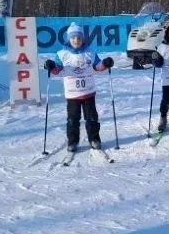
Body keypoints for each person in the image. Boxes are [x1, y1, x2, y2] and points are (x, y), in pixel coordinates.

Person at [44, 22, 115, 152]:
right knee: (73, 119)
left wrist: (105, 63)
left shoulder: (90, 52)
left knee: (92, 117)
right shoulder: (62, 54)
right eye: (73, 38)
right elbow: (58, 70)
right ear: (69, 39)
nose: (76, 40)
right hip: (72, 94)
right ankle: (73, 141)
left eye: (78, 37)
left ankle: (94, 139)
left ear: (82, 38)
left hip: (88, 92)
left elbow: (98, 66)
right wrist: (51, 66)